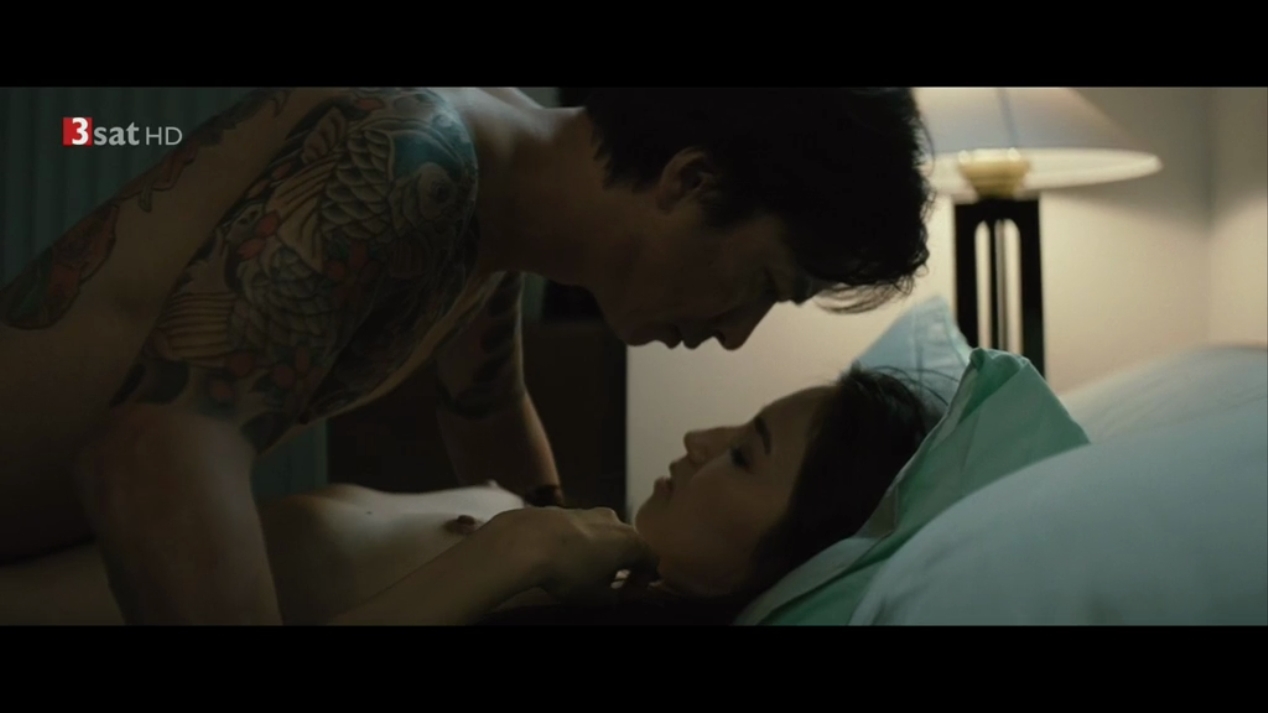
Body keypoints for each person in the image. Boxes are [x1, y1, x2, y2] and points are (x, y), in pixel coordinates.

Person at [0, 87, 933, 624]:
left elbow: (487, 408)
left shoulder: (498, 219)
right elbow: (153, 451)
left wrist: (561, 542)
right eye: (763, 284)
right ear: (690, 182)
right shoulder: (416, 159)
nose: (735, 334)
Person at [0, 366, 940, 625]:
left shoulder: (536, 558)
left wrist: (512, 549)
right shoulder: (583, 548)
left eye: (741, 455)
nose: (700, 441)